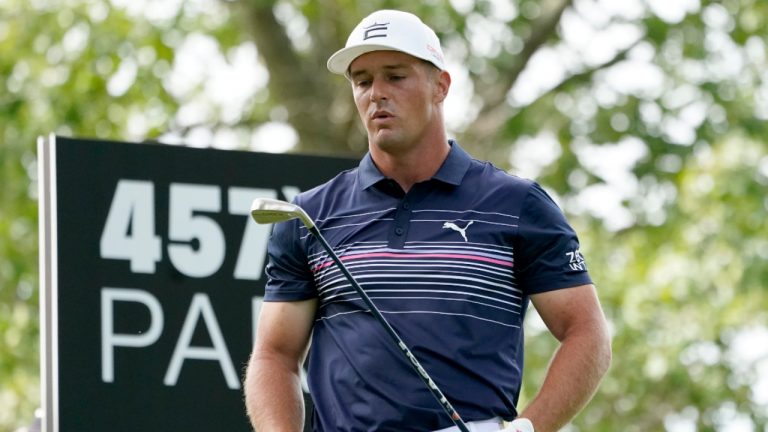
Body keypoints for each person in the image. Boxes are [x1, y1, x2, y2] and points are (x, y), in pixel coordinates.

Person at [244, 9, 611, 432]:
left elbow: (586, 332)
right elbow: (275, 355)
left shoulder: (518, 204)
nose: (376, 93)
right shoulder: (308, 216)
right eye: (362, 81)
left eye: (395, 76)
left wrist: (529, 428)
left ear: (441, 86)